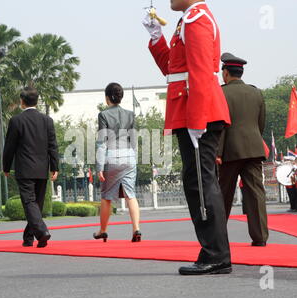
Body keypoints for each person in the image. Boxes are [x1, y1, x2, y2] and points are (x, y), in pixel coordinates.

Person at [144, 0, 232, 275]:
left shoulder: (197, 19)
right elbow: (173, 69)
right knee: (197, 180)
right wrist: (157, 38)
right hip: (190, 108)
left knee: (202, 182)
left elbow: (202, 71)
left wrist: (197, 119)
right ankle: (213, 252)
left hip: (198, 111)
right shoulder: (187, 20)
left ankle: (216, 254)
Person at [216, 52, 269, 247]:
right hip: (254, 149)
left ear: (226, 73)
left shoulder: (221, 93)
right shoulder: (256, 92)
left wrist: (218, 152)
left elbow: (220, 125)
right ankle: (260, 237)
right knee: (256, 193)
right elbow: (260, 123)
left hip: (230, 151)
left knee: (223, 194)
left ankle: (218, 236)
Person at [3, 87, 59, 248]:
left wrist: (6, 167)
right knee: (36, 205)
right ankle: (28, 238)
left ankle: (42, 232)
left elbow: (9, 147)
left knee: (29, 203)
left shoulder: (16, 121)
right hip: (42, 169)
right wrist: (54, 166)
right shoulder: (47, 120)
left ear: (22, 101)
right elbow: (52, 146)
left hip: (25, 170)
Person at [94, 83, 142, 242]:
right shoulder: (130, 114)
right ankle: (136, 229)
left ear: (107, 98)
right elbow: (134, 141)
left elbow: (101, 142)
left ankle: (103, 230)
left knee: (106, 196)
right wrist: (133, 159)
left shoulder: (103, 115)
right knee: (131, 195)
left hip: (111, 157)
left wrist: (99, 167)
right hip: (129, 156)